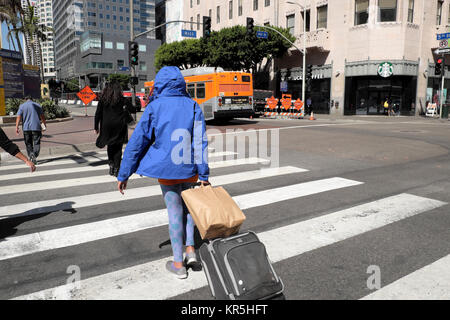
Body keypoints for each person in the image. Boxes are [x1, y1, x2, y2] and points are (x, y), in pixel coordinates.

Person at [116, 66, 210, 279]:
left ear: (159, 84)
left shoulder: (154, 107)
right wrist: (204, 174)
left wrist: (124, 174)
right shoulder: (193, 105)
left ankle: (178, 264)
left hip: (167, 171)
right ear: (180, 83)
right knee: (190, 210)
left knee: (175, 213)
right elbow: (200, 142)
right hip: (190, 169)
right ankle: (190, 250)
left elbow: (137, 143)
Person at [94, 81, 132, 177]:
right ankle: (116, 168)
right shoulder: (123, 100)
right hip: (120, 126)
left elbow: (98, 113)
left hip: (107, 126)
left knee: (110, 146)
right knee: (118, 148)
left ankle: (111, 164)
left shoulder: (103, 100)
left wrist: (96, 127)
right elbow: (133, 109)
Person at [15, 96, 46, 165]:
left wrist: (17, 127)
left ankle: (31, 154)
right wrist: (44, 124)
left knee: (28, 143)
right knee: (36, 142)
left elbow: (18, 117)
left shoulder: (22, 106)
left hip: (26, 128)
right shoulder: (37, 105)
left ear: (25, 99)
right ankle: (34, 155)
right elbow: (42, 117)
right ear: (32, 98)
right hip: (36, 127)